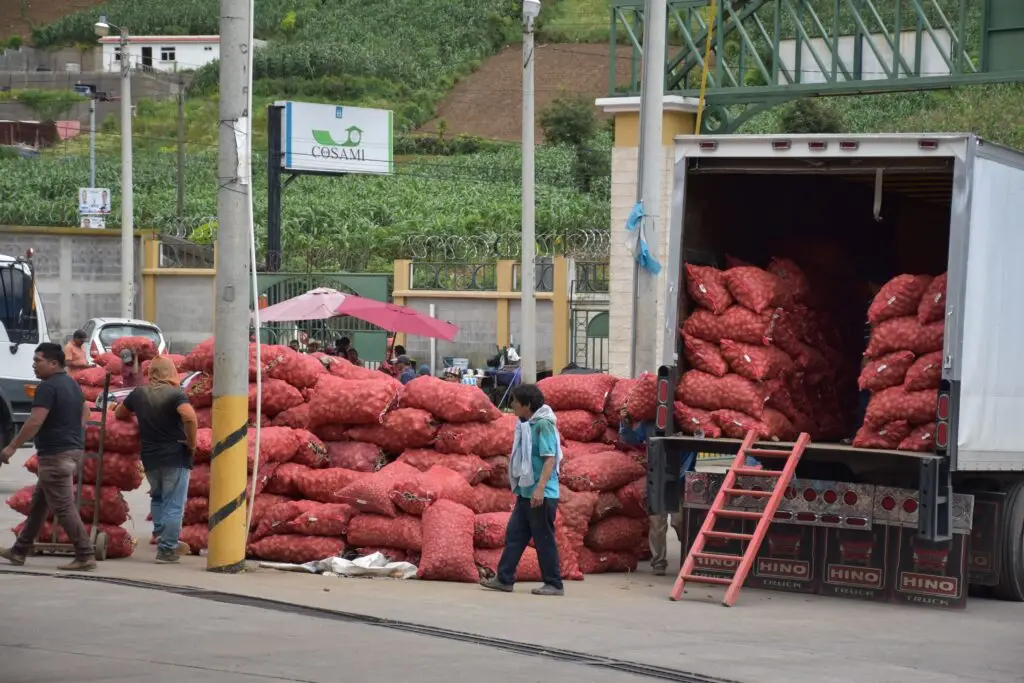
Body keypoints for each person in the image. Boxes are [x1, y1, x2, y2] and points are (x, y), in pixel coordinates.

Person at [0, 343, 95, 570]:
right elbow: (86, 413)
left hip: (55, 456)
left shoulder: (47, 387)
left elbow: (35, 420)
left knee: (63, 507)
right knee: (39, 506)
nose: (34, 365)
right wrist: (72, 433)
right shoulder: (72, 384)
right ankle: (19, 551)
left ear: (54, 363)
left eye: (38, 361)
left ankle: (85, 554)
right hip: (71, 452)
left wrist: (12, 446)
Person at [481, 384, 564, 596]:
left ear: (527, 405)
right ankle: (504, 578)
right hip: (526, 492)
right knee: (515, 535)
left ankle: (554, 583)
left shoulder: (542, 425)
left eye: (516, 402)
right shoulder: (525, 424)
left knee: (543, 539)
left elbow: (550, 459)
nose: (513, 406)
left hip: (541, 494)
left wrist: (540, 488)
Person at [115, 356, 197, 564]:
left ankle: (161, 535)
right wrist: (192, 444)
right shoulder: (175, 394)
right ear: (170, 372)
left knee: (158, 497)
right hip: (175, 455)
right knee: (174, 504)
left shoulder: (139, 393)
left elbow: (120, 413)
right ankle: (167, 549)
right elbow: (189, 417)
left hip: (150, 457)